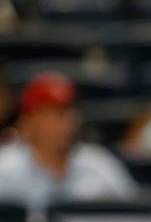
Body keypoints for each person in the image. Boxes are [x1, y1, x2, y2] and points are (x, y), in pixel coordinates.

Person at [0, 72, 137, 214]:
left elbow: (134, 218)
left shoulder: (100, 165)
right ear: (30, 120)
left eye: (70, 111)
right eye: (55, 114)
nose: (68, 121)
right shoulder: (4, 168)